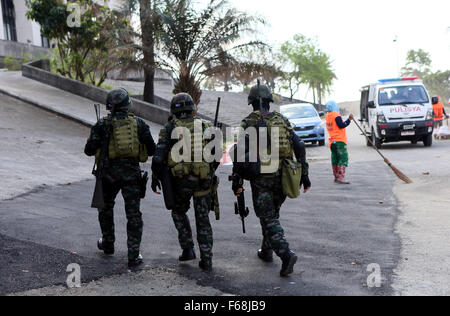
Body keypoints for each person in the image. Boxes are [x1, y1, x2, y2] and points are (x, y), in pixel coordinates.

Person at [230, 83, 311, 277]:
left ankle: (285, 254)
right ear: (268, 101)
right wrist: (304, 174)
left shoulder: (247, 122)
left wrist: (237, 180)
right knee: (271, 214)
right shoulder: (281, 120)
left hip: (262, 178)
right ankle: (266, 251)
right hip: (282, 176)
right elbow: (299, 145)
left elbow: (239, 153)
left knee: (267, 217)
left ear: (252, 103)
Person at [84, 88, 156, 268]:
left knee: (105, 209)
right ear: (127, 104)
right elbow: (153, 149)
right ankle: (133, 255)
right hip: (131, 175)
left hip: (108, 175)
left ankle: (108, 243)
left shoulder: (102, 124)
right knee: (133, 215)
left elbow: (88, 150)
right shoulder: (139, 123)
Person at [151, 93, 218, 271]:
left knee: (178, 212)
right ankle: (207, 259)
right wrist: (209, 171)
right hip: (203, 181)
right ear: (192, 109)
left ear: (174, 110)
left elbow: (158, 159)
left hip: (181, 182)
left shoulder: (169, 128)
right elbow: (217, 156)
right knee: (203, 219)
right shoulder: (206, 126)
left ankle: (188, 248)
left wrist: (155, 177)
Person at [325, 101, 353, 184]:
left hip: (332, 141)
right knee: (343, 158)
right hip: (339, 141)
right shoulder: (336, 115)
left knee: (335, 158)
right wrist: (349, 120)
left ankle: (336, 177)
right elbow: (341, 125)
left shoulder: (327, 115)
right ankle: (341, 177)